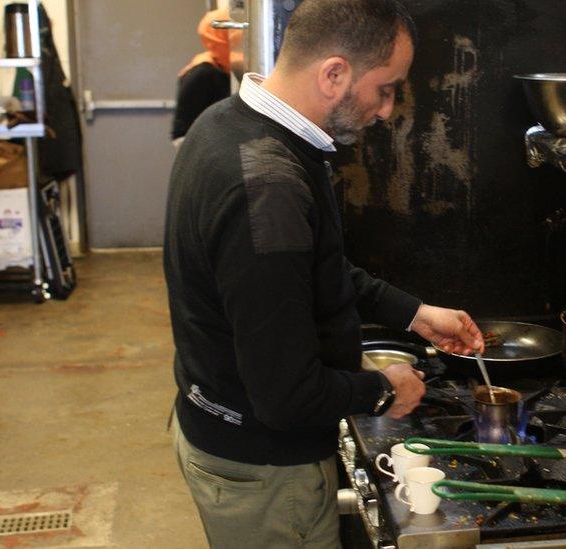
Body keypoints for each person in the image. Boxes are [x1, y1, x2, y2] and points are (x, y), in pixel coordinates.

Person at [163, 0, 483, 547]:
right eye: (385, 88)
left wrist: (413, 312)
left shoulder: (226, 122)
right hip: (263, 471)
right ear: (334, 73)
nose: (387, 110)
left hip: (217, 424)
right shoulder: (268, 186)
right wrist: (383, 390)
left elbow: (308, 269)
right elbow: (286, 397)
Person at [171, 8, 234, 148]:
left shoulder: (228, 68)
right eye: (232, 31)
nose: (238, 36)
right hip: (209, 155)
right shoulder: (203, 73)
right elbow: (181, 135)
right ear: (220, 36)